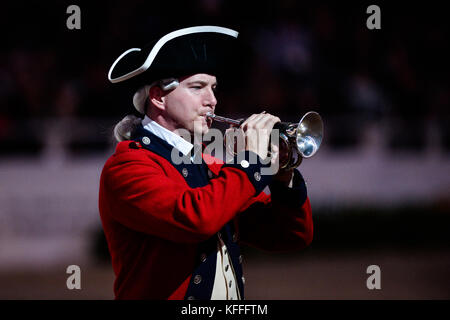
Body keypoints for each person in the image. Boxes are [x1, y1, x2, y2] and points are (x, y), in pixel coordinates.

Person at [99, 25, 313, 300]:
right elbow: (196, 219)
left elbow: (291, 235)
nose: (212, 101)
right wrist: (252, 162)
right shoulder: (128, 167)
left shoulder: (212, 167)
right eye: (197, 87)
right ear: (158, 97)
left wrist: (283, 174)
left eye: (213, 88)